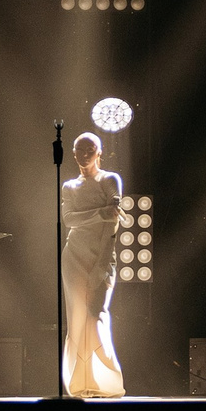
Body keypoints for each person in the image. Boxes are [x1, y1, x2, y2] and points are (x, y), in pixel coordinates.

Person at [60, 131, 126, 397]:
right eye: (79, 149)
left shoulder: (110, 179)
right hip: (74, 255)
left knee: (96, 315)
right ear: (73, 153)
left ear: (100, 151)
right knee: (77, 319)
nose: (84, 154)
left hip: (101, 254)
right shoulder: (69, 186)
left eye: (90, 149)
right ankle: (79, 384)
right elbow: (69, 221)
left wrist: (103, 263)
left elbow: (114, 220)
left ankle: (106, 382)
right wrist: (101, 212)